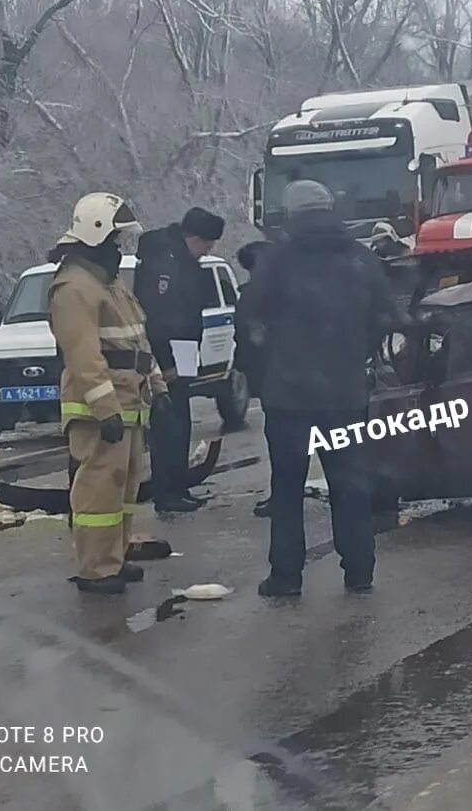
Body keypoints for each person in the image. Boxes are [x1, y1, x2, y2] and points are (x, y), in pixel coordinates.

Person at [243, 180, 399, 597]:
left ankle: (286, 576)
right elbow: (388, 315)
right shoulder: (359, 259)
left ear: (291, 214)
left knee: (287, 488)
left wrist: (270, 371)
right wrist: (355, 354)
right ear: (331, 207)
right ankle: (360, 570)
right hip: (344, 394)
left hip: (288, 396)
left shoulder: (277, 261)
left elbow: (250, 319)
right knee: (350, 482)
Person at [48, 192, 171, 595]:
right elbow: (84, 356)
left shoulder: (109, 283)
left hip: (129, 402)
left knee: (123, 488)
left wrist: (158, 386)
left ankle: (113, 559)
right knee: (98, 490)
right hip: (101, 409)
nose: (119, 250)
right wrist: (104, 409)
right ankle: (95, 569)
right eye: (115, 241)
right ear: (95, 235)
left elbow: (136, 342)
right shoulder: (74, 288)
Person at [134, 207, 226, 512]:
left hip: (183, 350)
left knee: (181, 423)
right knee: (168, 425)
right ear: (194, 238)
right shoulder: (165, 263)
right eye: (207, 246)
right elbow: (158, 318)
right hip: (168, 354)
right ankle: (167, 492)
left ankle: (177, 486)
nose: (206, 253)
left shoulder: (183, 262)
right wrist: (165, 363)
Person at [233, 240, 276, 518]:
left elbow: (247, 338)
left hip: (274, 379)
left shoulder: (254, 297)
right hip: (291, 377)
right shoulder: (286, 292)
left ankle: (282, 496)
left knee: (282, 441)